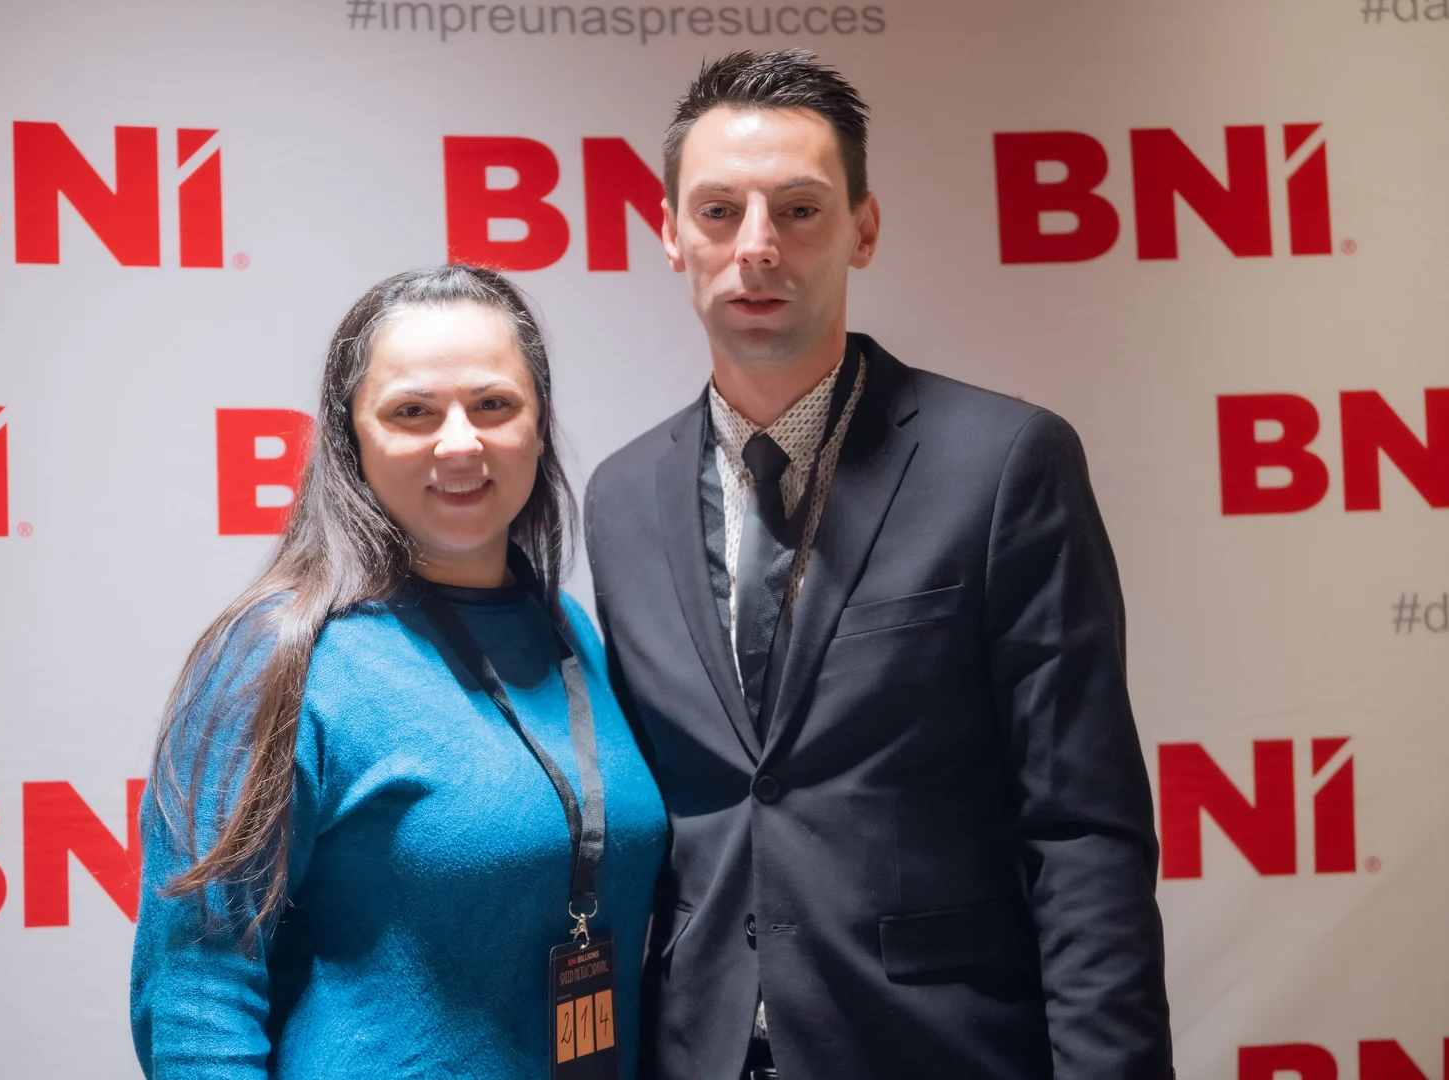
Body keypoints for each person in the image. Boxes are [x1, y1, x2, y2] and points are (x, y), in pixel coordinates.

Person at [584, 50, 1172, 1080]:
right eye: (718, 211)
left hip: (936, 1051)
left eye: (799, 210)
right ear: (671, 234)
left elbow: (1082, 832)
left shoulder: (1003, 464)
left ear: (864, 227)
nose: (756, 246)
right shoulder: (620, 498)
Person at [131, 265, 666, 1079]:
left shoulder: (572, 632)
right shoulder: (276, 657)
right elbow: (196, 995)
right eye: (413, 411)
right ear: (351, 439)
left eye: (494, 404)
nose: (460, 442)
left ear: (538, 426)